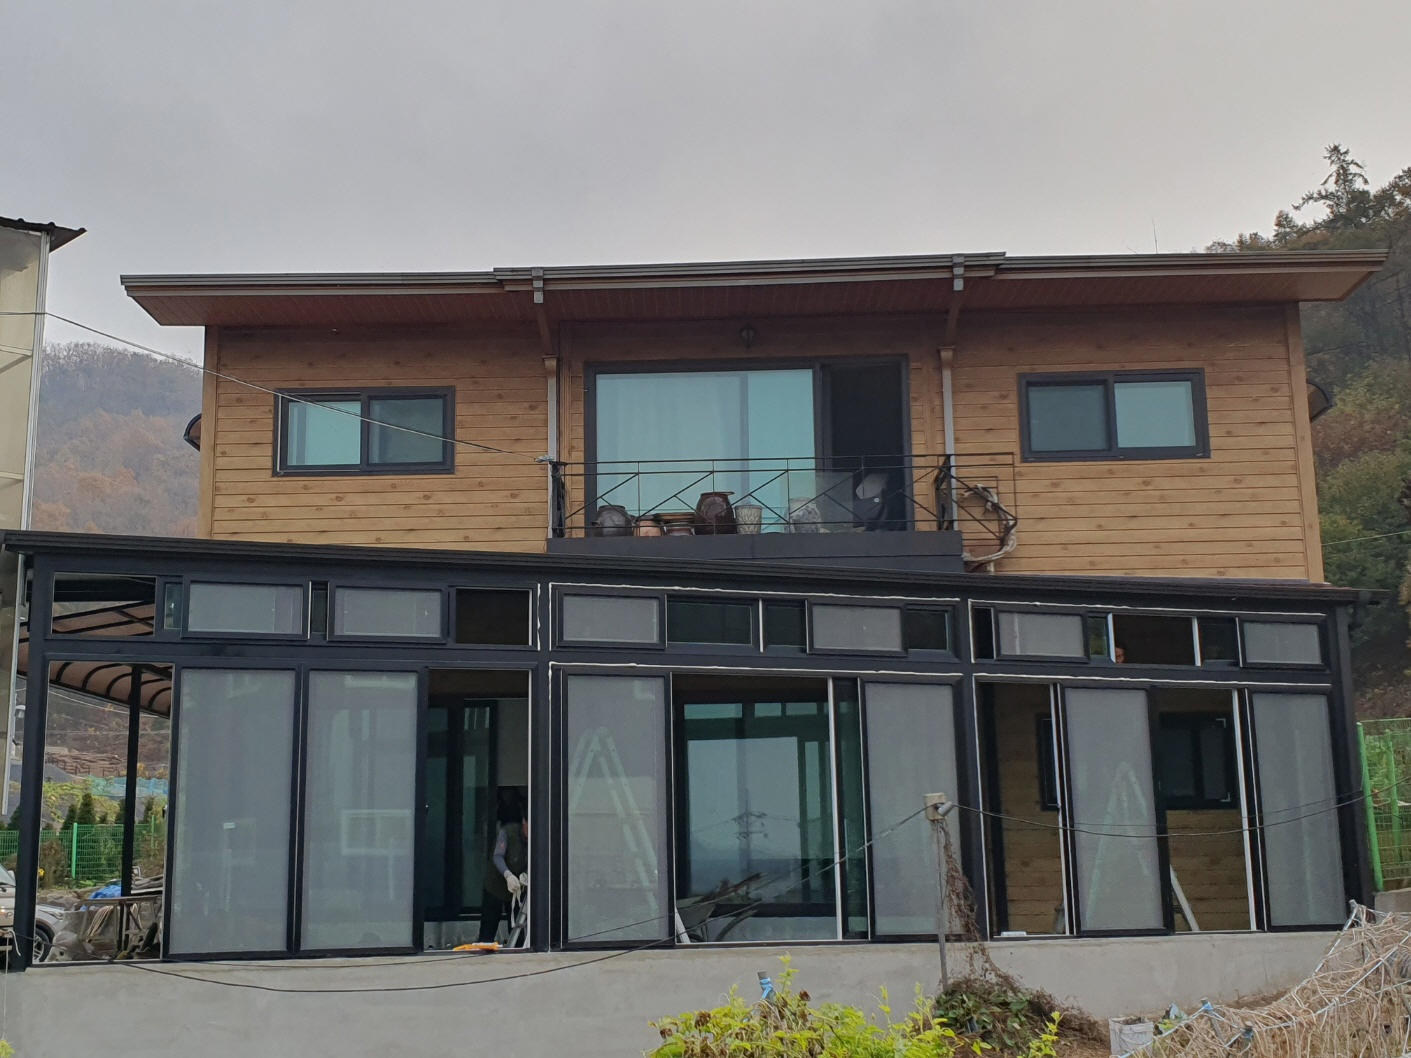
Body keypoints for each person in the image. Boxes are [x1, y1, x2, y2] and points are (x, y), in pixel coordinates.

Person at [477, 808, 528, 944]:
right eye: (530, 826)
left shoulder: (536, 840)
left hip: (517, 890)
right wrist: (508, 875)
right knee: (488, 930)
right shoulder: (507, 831)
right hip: (495, 886)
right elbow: (498, 856)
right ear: (524, 822)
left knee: (517, 932)